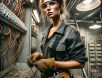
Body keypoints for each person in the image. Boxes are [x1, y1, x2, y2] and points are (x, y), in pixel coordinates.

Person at [27, 0, 88, 78]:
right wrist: (40, 55)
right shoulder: (46, 33)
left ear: (61, 6)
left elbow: (80, 63)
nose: (48, 8)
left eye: (52, 3)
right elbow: (54, 54)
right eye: (44, 6)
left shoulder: (70, 31)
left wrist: (53, 63)